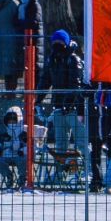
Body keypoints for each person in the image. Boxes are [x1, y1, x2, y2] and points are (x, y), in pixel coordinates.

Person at [39, 30, 88, 160]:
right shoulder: (52, 60)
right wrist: (37, 99)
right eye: (55, 42)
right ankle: (61, 172)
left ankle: (87, 170)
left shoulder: (73, 60)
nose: (57, 45)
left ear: (66, 43)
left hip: (74, 108)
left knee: (81, 141)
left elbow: (75, 85)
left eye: (60, 42)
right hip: (58, 107)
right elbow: (45, 80)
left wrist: (68, 104)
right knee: (60, 144)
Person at [0, 106, 27, 188]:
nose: (11, 123)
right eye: (9, 121)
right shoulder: (5, 135)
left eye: (14, 121)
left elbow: (31, 148)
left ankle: (22, 178)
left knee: (24, 160)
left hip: (19, 157)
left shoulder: (24, 135)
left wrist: (22, 151)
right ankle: (9, 176)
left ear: (19, 121)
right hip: (7, 156)